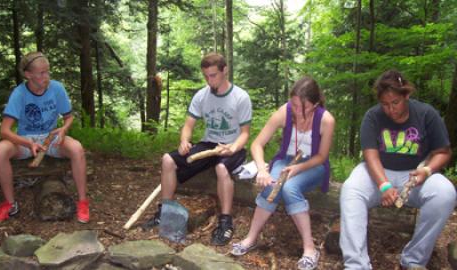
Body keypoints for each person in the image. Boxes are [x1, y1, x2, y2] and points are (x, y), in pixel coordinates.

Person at [339, 70, 456, 269]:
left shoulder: (426, 114)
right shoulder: (372, 117)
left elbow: (444, 152)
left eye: (395, 103)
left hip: (414, 175)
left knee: (445, 193)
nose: (390, 110)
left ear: (406, 96)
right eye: (385, 104)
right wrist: (383, 185)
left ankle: (413, 260)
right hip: (377, 172)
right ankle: (356, 264)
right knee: (351, 189)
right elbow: (370, 154)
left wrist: (427, 171)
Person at [145, 53, 252, 245]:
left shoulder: (240, 97)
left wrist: (233, 147)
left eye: (213, 75)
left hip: (232, 145)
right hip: (208, 145)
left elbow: (245, 133)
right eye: (206, 76)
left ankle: (225, 223)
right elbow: (188, 126)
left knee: (221, 168)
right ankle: (165, 212)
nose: (209, 81)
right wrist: (184, 141)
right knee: (168, 160)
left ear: (224, 70)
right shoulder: (202, 96)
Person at [231, 76, 335, 270]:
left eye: (302, 107)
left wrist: (299, 168)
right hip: (286, 160)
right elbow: (257, 144)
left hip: (313, 165)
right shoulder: (284, 112)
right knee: (273, 185)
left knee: (289, 187)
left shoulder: (326, 120)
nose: (296, 111)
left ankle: (310, 248)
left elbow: (321, 156)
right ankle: (251, 238)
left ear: (315, 104)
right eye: (293, 104)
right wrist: (262, 169)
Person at [0, 51, 89, 224]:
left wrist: (64, 129)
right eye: (42, 73)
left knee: (77, 148)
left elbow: (68, 116)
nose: (47, 76)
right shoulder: (19, 94)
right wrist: (26, 142)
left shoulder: (57, 88)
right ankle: (10, 204)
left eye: (48, 71)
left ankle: (82, 201)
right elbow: (4, 131)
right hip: (25, 140)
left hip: (51, 138)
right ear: (28, 75)